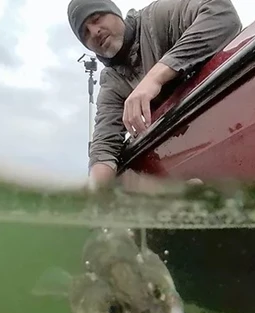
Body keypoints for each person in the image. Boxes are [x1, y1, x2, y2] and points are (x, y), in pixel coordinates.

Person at [67, 0, 242, 188]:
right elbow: (104, 145)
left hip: (236, 115)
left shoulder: (156, 18)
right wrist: (96, 196)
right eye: (85, 33)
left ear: (115, 13)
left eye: (96, 18)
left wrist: (156, 77)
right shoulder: (111, 84)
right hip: (189, 159)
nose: (95, 32)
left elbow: (222, 14)